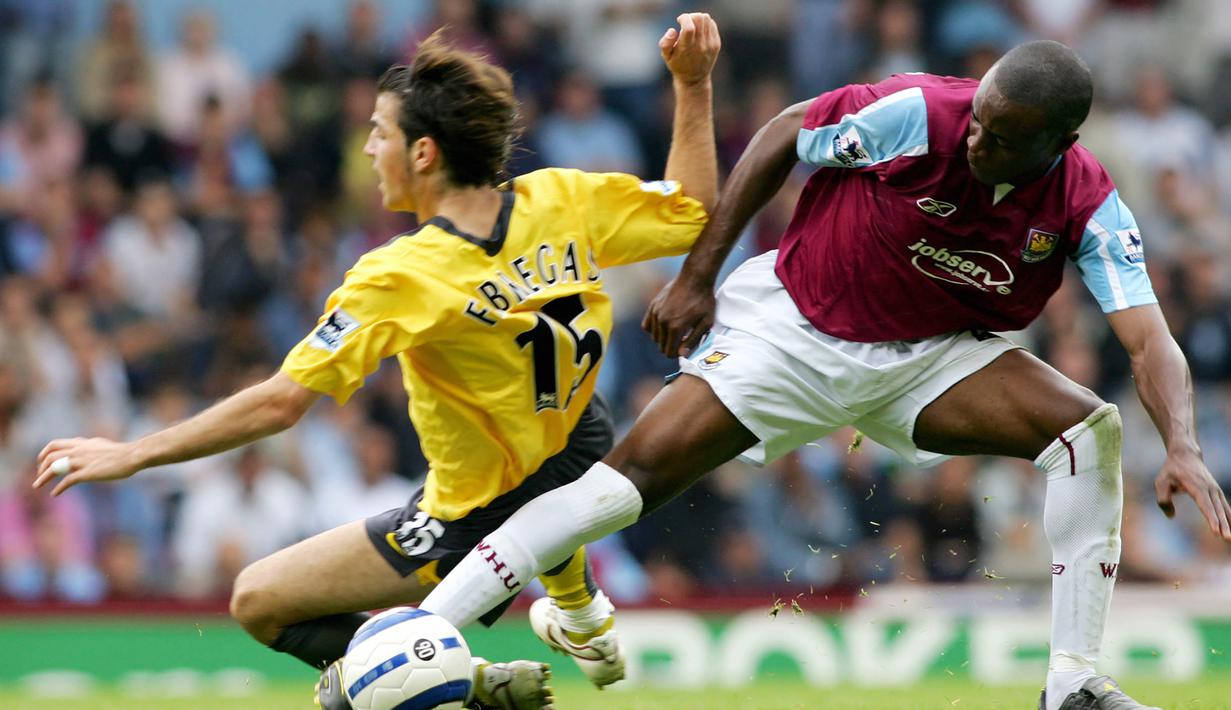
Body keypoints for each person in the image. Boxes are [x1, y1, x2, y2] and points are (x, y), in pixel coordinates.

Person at [417, 40, 1231, 710]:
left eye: (1002, 137)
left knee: (1089, 430)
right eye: (978, 121)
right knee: (617, 491)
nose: (976, 142)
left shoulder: (1086, 202)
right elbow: (780, 133)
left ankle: (1073, 684)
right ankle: (417, 633)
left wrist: (1184, 446)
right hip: (792, 333)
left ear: (1061, 143)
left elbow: (1148, 338)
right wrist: (698, 275)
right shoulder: (918, 114)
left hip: (927, 359)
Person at [34, 14, 721, 710]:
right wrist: (692, 86)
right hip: (581, 447)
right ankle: (578, 616)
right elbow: (695, 209)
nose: (366, 148)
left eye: (378, 133)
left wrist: (134, 452)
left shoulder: (400, 275)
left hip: (475, 517)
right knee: (535, 445)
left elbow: (281, 402)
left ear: (422, 153)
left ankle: (459, 675)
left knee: (259, 601)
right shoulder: (563, 198)